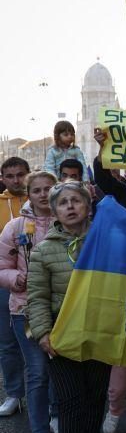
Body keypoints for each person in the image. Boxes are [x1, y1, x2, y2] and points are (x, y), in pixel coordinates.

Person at [26, 182, 107, 433]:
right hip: (61, 337)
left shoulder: (104, 243)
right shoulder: (44, 250)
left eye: (77, 201)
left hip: (99, 334)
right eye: (63, 202)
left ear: (88, 206)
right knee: (71, 401)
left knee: (95, 397)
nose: (71, 206)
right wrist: (44, 333)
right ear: (54, 210)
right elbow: (37, 297)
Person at [0, 171, 57, 433]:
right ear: (29, 193)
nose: (44, 194)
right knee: (37, 373)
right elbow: (2, 265)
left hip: (64, 311)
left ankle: (58, 415)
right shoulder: (16, 226)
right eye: (37, 190)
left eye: (49, 188)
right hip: (25, 310)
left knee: (63, 371)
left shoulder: (70, 223)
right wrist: (15, 278)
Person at [0, 157, 30, 418]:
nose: (16, 180)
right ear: (3, 178)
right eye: (10, 176)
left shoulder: (40, 201)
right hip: (5, 280)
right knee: (7, 342)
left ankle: (49, 404)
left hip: (36, 283)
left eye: (21, 174)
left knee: (42, 342)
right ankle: (13, 394)